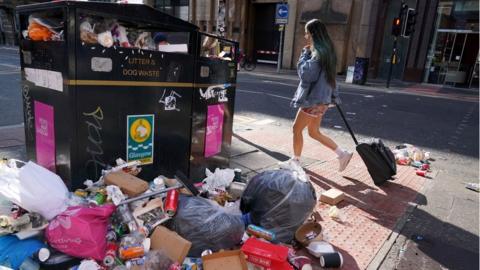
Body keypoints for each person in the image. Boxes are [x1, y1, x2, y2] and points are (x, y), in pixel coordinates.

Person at [279, 19, 353, 172]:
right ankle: (342, 154)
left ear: (312, 33)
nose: (306, 36)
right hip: (322, 99)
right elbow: (332, 79)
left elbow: (307, 75)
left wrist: (304, 55)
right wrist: (332, 98)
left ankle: (296, 162)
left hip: (313, 100)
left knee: (296, 129)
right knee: (314, 132)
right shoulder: (328, 51)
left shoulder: (316, 53)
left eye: (306, 32)